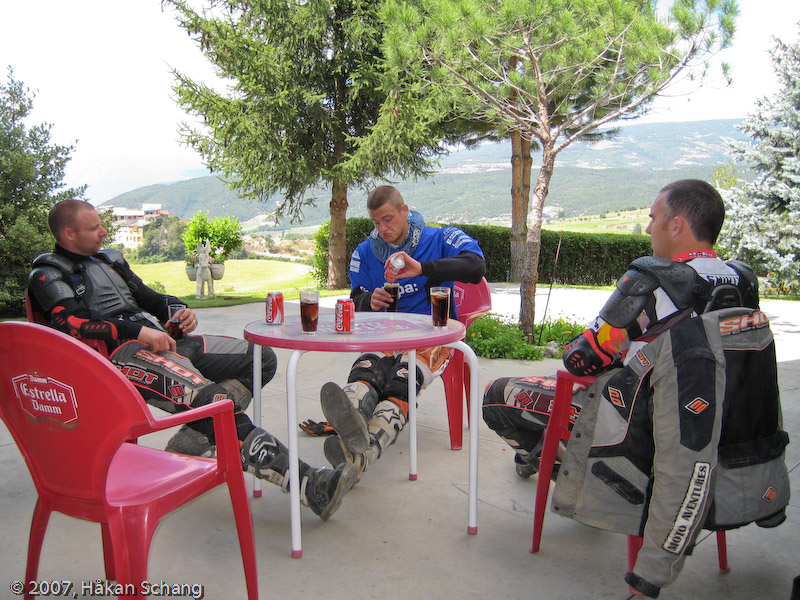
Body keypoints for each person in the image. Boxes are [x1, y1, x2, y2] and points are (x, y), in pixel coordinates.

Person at [28, 199, 356, 520]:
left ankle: (198, 435)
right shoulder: (47, 274)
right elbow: (70, 323)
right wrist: (137, 333)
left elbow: (151, 298)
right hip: (120, 359)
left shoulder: (110, 261)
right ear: (69, 234)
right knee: (212, 401)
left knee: (260, 358)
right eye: (94, 227)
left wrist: (178, 311)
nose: (103, 231)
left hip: (166, 343)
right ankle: (307, 484)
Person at [482, 178, 760, 479]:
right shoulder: (743, 281)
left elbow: (581, 359)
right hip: (716, 427)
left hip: (640, 428)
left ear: (676, 226)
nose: (650, 228)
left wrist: (599, 343)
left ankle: (571, 475)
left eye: (654, 219)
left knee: (496, 394)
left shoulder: (655, 281)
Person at [317, 185, 485, 482]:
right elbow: (355, 298)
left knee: (403, 380)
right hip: (386, 335)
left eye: (389, 219)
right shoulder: (366, 251)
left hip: (434, 336)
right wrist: (370, 301)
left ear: (405, 211)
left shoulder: (439, 238)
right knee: (366, 371)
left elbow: (476, 266)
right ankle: (352, 420)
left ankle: (364, 452)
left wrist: (422, 268)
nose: (383, 228)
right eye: (376, 222)